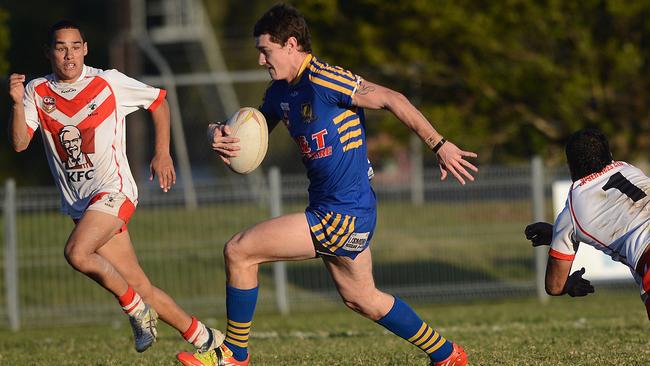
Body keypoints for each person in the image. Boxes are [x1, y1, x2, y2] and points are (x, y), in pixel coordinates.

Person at [176, 4, 477, 366]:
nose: (260, 60)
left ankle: (234, 355)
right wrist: (215, 133)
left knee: (240, 251)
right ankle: (447, 354)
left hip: (343, 212)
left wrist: (439, 145)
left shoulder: (325, 80)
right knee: (363, 298)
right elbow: (245, 131)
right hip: (336, 208)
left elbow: (393, 99)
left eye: (265, 51)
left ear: (290, 44)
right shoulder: (279, 94)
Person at [7, 20, 224, 354]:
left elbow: (159, 101)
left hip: (115, 190)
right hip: (82, 204)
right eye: (61, 47)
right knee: (140, 285)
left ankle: (136, 311)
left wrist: (162, 153)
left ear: (86, 49)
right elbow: (20, 143)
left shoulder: (107, 82)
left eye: (76, 47)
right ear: (48, 52)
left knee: (77, 253)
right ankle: (208, 341)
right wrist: (16, 102)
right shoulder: (37, 91)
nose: (69, 55)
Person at [524, 128, 650, 317]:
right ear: (610, 155)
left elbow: (554, 285)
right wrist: (557, 233)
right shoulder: (628, 169)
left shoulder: (572, 211)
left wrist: (568, 285)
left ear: (570, 166)